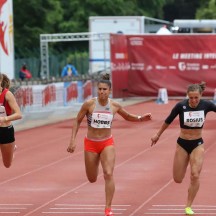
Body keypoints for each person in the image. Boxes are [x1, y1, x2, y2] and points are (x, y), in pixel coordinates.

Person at [67, 73, 152, 216]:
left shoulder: (114, 105)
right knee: (92, 179)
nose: (101, 92)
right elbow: (77, 120)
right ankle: (97, 179)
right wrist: (72, 140)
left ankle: (108, 208)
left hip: (107, 143)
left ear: (110, 91)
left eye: (104, 89)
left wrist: (140, 118)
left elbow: (127, 116)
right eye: (99, 89)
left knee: (108, 173)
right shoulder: (89, 104)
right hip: (91, 144)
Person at [151, 81, 216, 215]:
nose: (193, 100)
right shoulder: (181, 106)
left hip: (198, 143)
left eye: (196, 97)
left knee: (195, 175)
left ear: (201, 95)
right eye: (191, 97)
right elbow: (168, 121)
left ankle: (188, 206)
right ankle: (185, 164)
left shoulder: (207, 105)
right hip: (182, 143)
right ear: (187, 96)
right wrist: (157, 135)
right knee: (178, 179)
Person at [0, 73, 22, 168]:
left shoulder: (7, 94)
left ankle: (12, 149)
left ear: (0, 81)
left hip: (5, 131)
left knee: (7, 164)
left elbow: (19, 114)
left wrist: (4, 118)